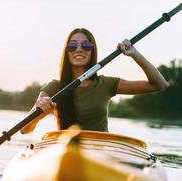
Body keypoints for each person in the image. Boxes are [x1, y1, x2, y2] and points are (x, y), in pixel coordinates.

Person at [21, 28, 169, 133]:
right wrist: (38, 114)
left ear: (92, 51)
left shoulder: (107, 84)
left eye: (85, 45)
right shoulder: (53, 87)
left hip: (101, 150)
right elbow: (24, 129)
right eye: (72, 45)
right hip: (67, 152)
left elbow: (159, 85)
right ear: (66, 52)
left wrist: (135, 54)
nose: (79, 49)